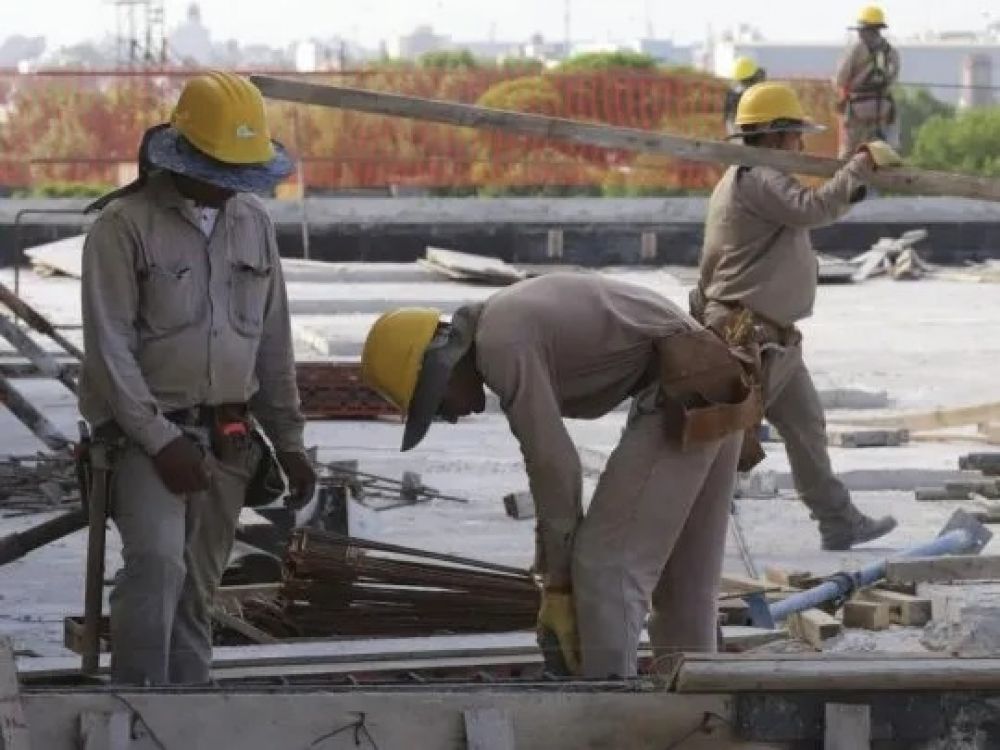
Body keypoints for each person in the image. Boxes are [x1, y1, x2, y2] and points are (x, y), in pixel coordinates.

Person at [361, 272, 762, 678]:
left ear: (440, 368)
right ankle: (699, 712)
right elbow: (551, 478)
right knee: (684, 586)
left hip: (686, 387)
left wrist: (559, 582)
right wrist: (551, 568)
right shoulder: (503, 321)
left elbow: (553, 464)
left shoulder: (500, 344)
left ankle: (608, 713)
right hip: (716, 378)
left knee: (607, 566)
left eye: (437, 405)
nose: (450, 416)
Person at [79, 71, 317, 685]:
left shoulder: (253, 224)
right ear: (182, 154)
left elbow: (272, 344)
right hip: (144, 437)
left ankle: (188, 711)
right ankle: (135, 712)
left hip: (229, 439)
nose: (229, 188)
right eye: (220, 171)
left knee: (198, 591)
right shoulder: (123, 227)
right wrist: (161, 441)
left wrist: (290, 444)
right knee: (157, 568)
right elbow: (110, 352)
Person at [692, 81, 901, 551]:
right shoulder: (760, 177)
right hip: (749, 333)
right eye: (794, 136)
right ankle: (679, 525)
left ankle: (838, 520)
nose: (800, 146)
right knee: (720, 442)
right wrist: (859, 167)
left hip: (770, 336)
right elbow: (815, 207)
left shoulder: (739, 178)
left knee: (806, 426)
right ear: (775, 135)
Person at [834, 5, 900, 158]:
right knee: (880, 152)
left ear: (864, 28)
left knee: (849, 152)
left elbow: (840, 79)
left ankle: (841, 180)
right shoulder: (890, 51)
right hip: (883, 108)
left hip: (858, 109)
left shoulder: (856, 49)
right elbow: (892, 78)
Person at [724, 56, 767, 135]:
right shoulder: (734, 94)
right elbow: (730, 119)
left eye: (744, 82)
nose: (741, 86)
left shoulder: (762, 92)